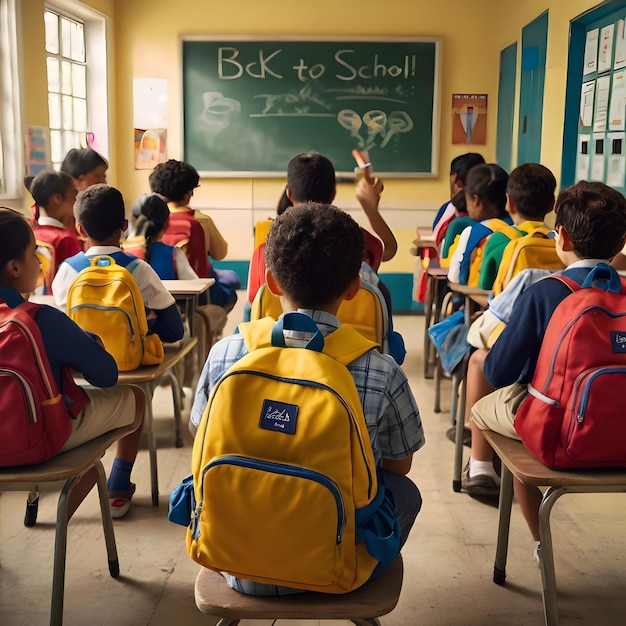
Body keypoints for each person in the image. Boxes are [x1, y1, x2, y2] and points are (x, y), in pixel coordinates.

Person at [191, 202, 424, 595]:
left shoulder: (226, 355)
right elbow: (400, 466)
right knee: (406, 493)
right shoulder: (382, 369)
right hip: (335, 568)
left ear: (272, 283)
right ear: (354, 287)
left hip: (230, 558)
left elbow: (200, 433)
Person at [463, 181, 626, 562]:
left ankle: (537, 537)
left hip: (563, 431)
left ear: (562, 238)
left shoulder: (544, 291)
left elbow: (499, 371)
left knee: (488, 410)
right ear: (621, 244)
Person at [0, 207, 146, 518]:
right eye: (32, 254)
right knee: (135, 397)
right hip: (32, 442)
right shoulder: (42, 318)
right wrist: (88, 342)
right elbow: (106, 375)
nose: (39, 262)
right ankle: (114, 487)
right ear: (14, 267)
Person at [246, 151, 398, 306]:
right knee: (381, 292)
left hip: (277, 329)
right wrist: (370, 208)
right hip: (347, 329)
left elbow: (254, 301)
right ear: (333, 193)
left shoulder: (267, 250)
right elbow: (389, 249)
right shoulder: (354, 240)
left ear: (289, 194)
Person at [51, 184, 185, 345]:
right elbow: (174, 330)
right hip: (131, 361)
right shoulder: (139, 269)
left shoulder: (67, 270)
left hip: (82, 366)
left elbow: (59, 327)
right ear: (125, 226)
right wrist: (144, 323)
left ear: (80, 230)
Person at [123, 193, 227, 353]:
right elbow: (196, 287)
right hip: (166, 327)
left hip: (129, 327)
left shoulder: (124, 253)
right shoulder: (173, 254)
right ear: (166, 224)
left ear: (133, 221)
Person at [148, 159, 240, 309]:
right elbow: (220, 253)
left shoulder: (150, 220)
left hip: (157, 291)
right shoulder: (200, 221)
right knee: (233, 279)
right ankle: (211, 326)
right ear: (188, 192)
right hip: (197, 292)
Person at [478, 163, 557, 290]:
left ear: (509, 202)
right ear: (552, 205)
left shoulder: (499, 239)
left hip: (509, 309)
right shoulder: (558, 243)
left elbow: (484, 284)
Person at [447, 163, 511, 285]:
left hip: (479, 300)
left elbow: (456, 276)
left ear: (475, 200)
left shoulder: (473, 233)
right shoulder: (517, 227)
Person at [29, 170, 81, 285]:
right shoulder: (66, 240)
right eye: (74, 195)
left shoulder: (30, 234)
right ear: (57, 198)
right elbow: (78, 280)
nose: (76, 201)